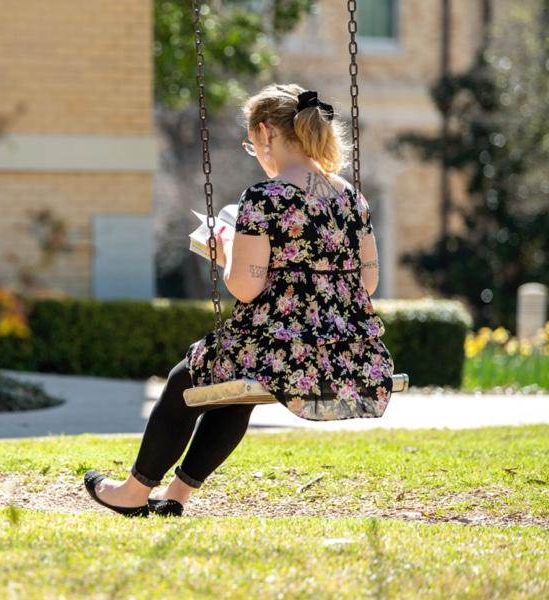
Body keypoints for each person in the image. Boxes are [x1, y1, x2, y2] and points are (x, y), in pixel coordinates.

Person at [83, 84, 395, 518]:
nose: (256, 152)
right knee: (233, 389)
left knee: (183, 382)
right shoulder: (351, 197)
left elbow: (245, 288)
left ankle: (132, 493)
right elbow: (369, 281)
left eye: (252, 144)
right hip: (345, 350)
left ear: (266, 133)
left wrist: (223, 248)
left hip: (280, 349)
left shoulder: (264, 198)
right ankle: (175, 496)